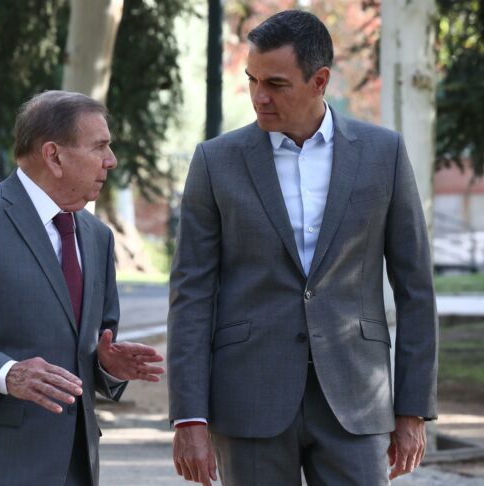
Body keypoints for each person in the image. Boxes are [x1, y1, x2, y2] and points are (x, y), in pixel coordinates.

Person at [167, 10, 437, 486]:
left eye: (275, 83)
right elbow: (191, 294)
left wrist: (413, 407)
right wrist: (188, 416)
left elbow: (415, 288)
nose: (258, 96)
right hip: (249, 399)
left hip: (356, 397)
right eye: (252, 80)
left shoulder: (384, 154)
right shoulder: (215, 162)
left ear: (320, 81)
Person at [0, 90, 164, 486]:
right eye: (99, 147)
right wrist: (7, 373)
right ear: (53, 155)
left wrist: (107, 366)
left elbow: (89, 346)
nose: (111, 160)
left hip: (73, 467)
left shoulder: (98, 236)